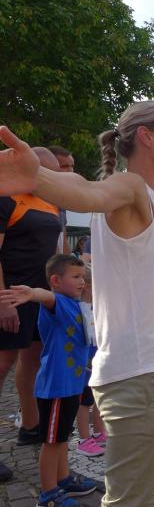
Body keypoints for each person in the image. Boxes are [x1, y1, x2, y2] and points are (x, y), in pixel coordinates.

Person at [0, 101, 154, 505]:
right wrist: (36, 176)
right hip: (137, 375)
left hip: (145, 374)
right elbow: (87, 191)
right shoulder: (129, 187)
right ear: (146, 136)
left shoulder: (152, 200)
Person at [0, 254, 99, 506]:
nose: (82, 282)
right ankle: (48, 493)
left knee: (63, 437)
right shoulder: (59, 303)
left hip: (72, 385)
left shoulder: (77, 305)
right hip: (56, 387)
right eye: (76, 277)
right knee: (52, 441)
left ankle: (63, 478)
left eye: (83, 277)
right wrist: (32, 293)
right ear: (55, 280)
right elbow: (47, 297)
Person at [0, 147, 63, 470]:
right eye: (46, 172)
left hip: (39, 295)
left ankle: (30, 424)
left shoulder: (54, 203)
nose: (51, 178)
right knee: (3, 363)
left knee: (33, 359)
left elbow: (56, 253)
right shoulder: (6, 196)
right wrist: (3, 301)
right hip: (11, 294)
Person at [74, 263, 107, 458]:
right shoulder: (80, 309)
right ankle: (84, 439)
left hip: (97, 361)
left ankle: (99, 431)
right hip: (84, 364)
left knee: (98, 398)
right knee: (85, 401)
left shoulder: (96, 307)